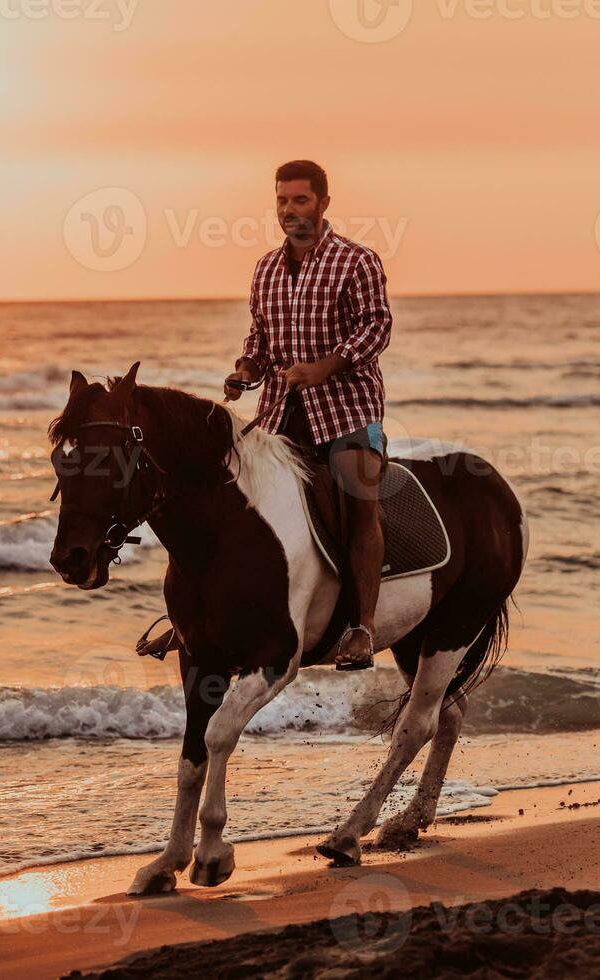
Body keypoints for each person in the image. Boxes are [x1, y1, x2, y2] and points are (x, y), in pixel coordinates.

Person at [138, 159, 393, 671]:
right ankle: (202, 617)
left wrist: (325, 367)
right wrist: (246, 369)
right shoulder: (266, 269)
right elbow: (259, 337)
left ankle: (363, 627)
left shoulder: (356, 260)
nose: (289, 210)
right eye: (281, 201)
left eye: (300, 200)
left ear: (323, 202)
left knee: (357, 499)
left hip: (346, 412)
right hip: (279, 414)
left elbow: (376, 327)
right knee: (228, 497)